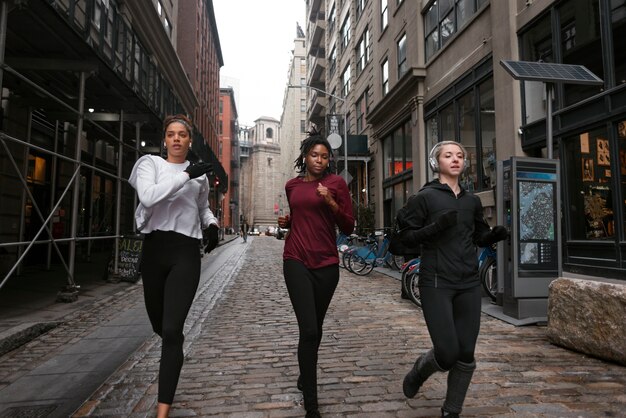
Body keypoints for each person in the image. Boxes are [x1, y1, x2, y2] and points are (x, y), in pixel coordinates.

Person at [399, 141, 507, 418]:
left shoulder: (472, 201)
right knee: (447, 353)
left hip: (468, 284)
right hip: (436, 282)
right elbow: (404, 240)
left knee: (466, 353)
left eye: (460, 155)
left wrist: (493, 235)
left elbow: (478, 237)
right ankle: (420, 370)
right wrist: (435, 227)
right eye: (448, 155)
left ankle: (452, 410)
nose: (456, 159)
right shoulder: (425, 198)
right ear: (436, 163)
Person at [128, 114, 219, 418]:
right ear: (164, 139)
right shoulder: (149, 165)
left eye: (182, 134)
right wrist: (186, 175)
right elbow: (149, 196)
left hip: (185, 252)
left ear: (189, 140)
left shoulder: (200, 176)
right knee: (160, 326)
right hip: (154, 251)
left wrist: (213, 224)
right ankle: (173, 350)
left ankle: (162, 411)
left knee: (171, 329)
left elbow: (203, 207)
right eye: (171, 134)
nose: (177, 139)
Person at [277, 133, 354, 418]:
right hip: (295, 258)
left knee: (316, 328)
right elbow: (300, 218)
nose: (319, 160)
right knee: (309, 329)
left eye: (324, 156)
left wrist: (331, 203)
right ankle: (312, 404)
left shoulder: (336, 184)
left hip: (326, 263)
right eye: (314, 155)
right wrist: (287, 223)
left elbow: (348, 225)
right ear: (305, 157)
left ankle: (304, 374)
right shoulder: (292, 186)